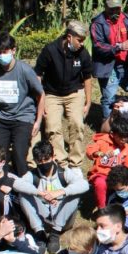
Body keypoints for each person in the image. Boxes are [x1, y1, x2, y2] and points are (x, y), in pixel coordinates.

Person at [0, 33, 45, 177]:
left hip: (22, 118)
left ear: (13, 51)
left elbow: (41, 94)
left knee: (19, 155)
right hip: (1, 118)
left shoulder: (24, 70)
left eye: (5, 52)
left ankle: (23, 186)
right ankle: (3, 186)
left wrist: (38, 121)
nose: (2, 55)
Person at [34, 20, 94, 168]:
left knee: (77, 124)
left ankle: (75, 163)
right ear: (69, 37)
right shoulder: (50, 50)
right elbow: (38, 75)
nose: (81, 44)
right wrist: (40, 100)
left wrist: (88, 101)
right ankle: (61, 161)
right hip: (51, 94)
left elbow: (87, 77)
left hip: (74, 92)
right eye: (79, 40)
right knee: (52, 127)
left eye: (83, 41)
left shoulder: (83, 53)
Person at [14, 141, 89, 254]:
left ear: (53, 157)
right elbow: (16, 184)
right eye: (40, 161)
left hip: (62, 216)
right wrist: (39, 193)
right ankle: (40, 234)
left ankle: (55, 233)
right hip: (43, 215)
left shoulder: (63, 173)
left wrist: (61, 192)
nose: (43, 163)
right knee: (23, 194)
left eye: (46, 160)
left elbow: (84, 185)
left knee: (75, 194)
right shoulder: (33, 175)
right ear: (35, 161)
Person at [91, 0, 128, 121]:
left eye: (117, 9)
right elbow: (98, 46)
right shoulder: (98, 22)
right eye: (111, 9)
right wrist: (119, 47)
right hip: (107, 65)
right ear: (105, 8)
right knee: (109, 97)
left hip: (124, 63)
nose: (115, 12)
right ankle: (108, 124)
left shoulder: (127, 19)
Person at [86, 117, 128, 209]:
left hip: (118, 177)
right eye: (121, 136)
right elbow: (90, 151)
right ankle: (102, 208)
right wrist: (99, 153)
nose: (124, 139)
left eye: (126, 136)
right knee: (101, 183)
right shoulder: (103, 142)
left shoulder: (127, 148)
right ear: (112, 134)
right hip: (101, 174)